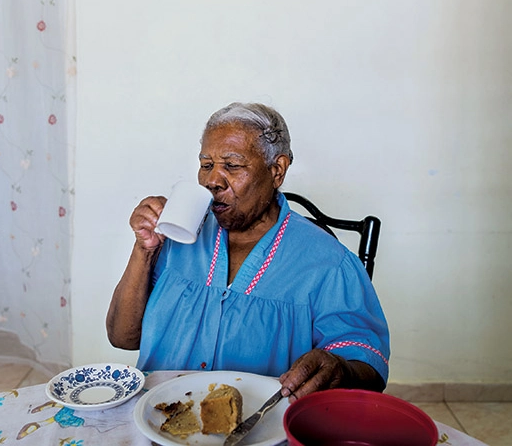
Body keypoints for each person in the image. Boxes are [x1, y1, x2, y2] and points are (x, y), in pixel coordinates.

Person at [106, 102, 390, 401]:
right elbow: (122, 337)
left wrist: (340, 368)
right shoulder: (177, 239)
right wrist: (145, 249)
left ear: (277, 170)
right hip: (157, 413)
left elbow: (369, 370)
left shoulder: (328, 263)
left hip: (257, 427)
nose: (212, 181)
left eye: (232, 165)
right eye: (206, 165)